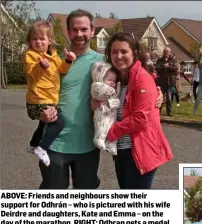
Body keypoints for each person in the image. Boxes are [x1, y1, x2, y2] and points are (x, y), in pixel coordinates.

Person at [39, 9, 163, 189]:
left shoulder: (105, 63)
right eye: (75, 29)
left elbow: (132, 80)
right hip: (56, 143)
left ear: (92, 31)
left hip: (88, 145)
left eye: (83, 29)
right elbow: (39, 92)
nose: (79, 34)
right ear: (68, 31)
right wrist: (40, 111)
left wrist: (157, 92)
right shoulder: (55, 63)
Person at [104, 32, 173, 189]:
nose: (118, 56)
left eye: (123, 51)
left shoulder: (142, 78)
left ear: (134, 53)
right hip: (122, 150)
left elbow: (140, 118)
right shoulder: (118, 79)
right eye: (114, 52)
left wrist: (110, 131)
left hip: (139, 151)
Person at [24, 20, 76, 167]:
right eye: (34, 39)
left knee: (43, 125)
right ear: (30, 41)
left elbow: (62, 69)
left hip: (49, 99)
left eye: (42, 38)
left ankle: (33, 145)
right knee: (59, 122)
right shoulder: (30, 55)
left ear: (50, 40)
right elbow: (32, 73)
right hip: (38, 100)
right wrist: (41, 66)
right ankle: (42, 148)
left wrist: (68, 60)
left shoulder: (53, 55)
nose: (38, 42)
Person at [91, 61, 120, 155]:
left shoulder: (115, 92)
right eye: (109, 80)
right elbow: (98, 91)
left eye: (114, 81)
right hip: (102, 113)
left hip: (112, 115)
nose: (112, 83)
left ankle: (111, 144)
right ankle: (99, 139)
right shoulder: (97, 86)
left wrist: (111, 102)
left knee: (112, 129)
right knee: (101, 127)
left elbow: (117, 102)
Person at [155, 47, 178, 116]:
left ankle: (169, 112)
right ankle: (158, 112)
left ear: (170, 53)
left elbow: (175, 68)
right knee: (160, 98)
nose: (166, 53)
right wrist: (163, 67)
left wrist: (169, 67)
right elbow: (157, 68)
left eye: (167, 52)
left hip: (170, 82)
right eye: (165, 51)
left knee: (169, 98)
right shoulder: (159, 60)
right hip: (161, 82)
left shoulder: (173, 60)